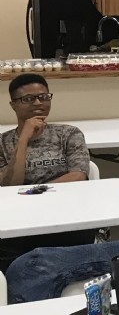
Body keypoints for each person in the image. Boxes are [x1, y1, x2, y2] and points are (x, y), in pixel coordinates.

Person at [0, 73, 91, 271]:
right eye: (28, 99)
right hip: (18, 220)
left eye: (44, 97)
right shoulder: (2, 142)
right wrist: (23, 140)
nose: (38, 103)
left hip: (66, 214)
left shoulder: (68, 134)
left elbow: (78, 176)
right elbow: (9, 185)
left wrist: (33, 193)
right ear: (13, 105)